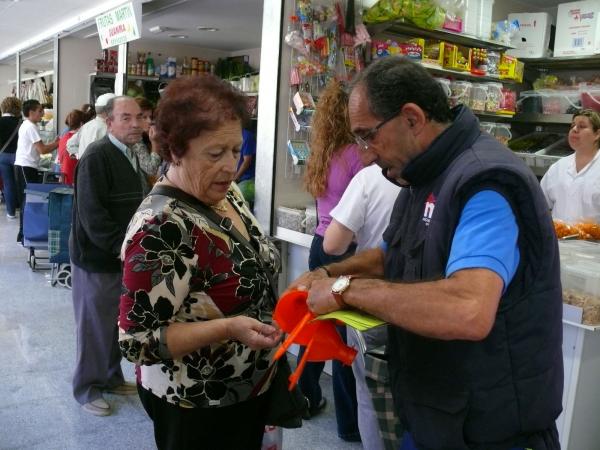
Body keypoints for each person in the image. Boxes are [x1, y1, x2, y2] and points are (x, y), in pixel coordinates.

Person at [291, 57, 563, 450]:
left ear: (412, 119)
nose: (365, 155)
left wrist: (344, 290)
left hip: (489, 430)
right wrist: (330, 273)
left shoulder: (486, 183)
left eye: (368, 136)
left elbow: (468, 308)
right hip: (435, 415)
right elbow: (389, 256)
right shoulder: (421, 177)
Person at [119, 75, 282, 450]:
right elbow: (137, 342)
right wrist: (227, 328)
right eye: (215, 154)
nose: (230, 166)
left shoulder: (229, 194)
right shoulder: (162, 226)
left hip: (247, 387)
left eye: (235, 150)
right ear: (176, 150)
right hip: (197, 402)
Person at [300, 78, 369, 442]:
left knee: (314, 330)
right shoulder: (357, 155)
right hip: (347, 251)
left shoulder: (321, 152)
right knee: (346, 342)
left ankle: (304, 398)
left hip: (318, 245)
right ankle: (349, 425)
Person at [69, 96, 146, 416]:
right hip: (97, 259)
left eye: (139, 117)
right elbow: (92, 215)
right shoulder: (97, 155)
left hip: (120, 257)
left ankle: (112, 377)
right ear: (109, 122)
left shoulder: (131, 154)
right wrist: (122, 248)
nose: (135, 124)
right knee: (94, 326)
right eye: (125, 118)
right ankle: (87, 388)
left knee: (116, 323)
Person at [323, 163, 401, 450]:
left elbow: (333, 244)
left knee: (371, 395)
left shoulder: (369, 179)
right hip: (423, 308)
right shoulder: (436, 178)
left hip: (370, 304)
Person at [541, 109, 600, 223]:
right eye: (573, 125)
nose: (574, 129)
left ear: (597, 134)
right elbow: (540, 205)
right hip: (558, 239)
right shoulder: (558, 167)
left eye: (582, 126)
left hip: (594, 240)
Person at [14, 99, 59, 242]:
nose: (42, 113)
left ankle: (24, 232)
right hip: (25, 167)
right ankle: (23, 233)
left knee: (27, 199)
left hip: (26, 166)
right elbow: (42, 150)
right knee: (27, 200)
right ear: (31, 112)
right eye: (40, 111)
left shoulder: (28, 125)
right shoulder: (30, 127)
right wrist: (58, 143)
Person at [67, 93, 115, 159]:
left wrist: (80, 156)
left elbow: (70, 144)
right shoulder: (108, 129)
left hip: (84, 167)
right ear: (108, 110)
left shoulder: (86, 126)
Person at [131, 97, 161, 189]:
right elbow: (151, 169)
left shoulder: (140, 137)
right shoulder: (136, 140)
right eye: (144, 117)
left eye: (150, 117)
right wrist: (155, 143)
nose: (149, 121)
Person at [0, 97, 22, 219]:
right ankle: (22, 208)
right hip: (18, 156)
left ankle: (11, 212)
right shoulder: (20, 122)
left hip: (2, 156)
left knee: (8, 184)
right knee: (20, 183)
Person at [57, 109, 85, 185]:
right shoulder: (79, 139)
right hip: (74, 179)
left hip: (64, 177)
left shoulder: (63, 137)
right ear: (82, 124)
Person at [235, 126, 256, 205]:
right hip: (234, 179)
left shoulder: (247, 136)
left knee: (239, 200)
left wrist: (235, 178)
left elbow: (247, 161)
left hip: (247, 179)